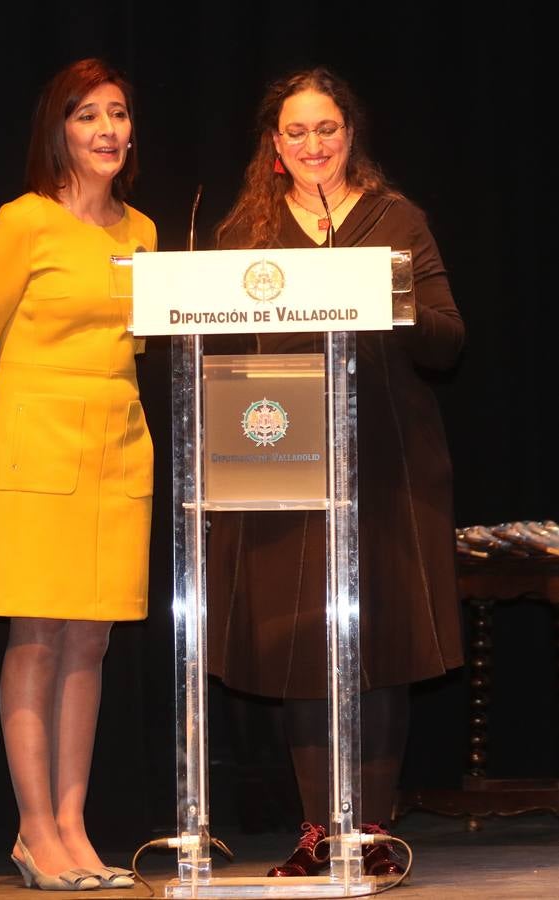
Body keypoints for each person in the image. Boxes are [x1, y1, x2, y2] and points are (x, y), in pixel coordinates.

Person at [206, 65, 465, 878]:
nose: (312, 144)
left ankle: (373, 828)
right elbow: (211, 344)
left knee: (379, 641)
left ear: (349, 134)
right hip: (280, 458)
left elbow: (447, 340)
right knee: (298, 649)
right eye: (295, 131)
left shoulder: (395, 219)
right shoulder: (246, 232)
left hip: (389, 464)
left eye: (325, 128)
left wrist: (388, 299)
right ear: (273, 147)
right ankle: (317, 828)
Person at [0, 58, 157, 891]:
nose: (107, 130)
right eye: (87, 117)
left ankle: (74, 827)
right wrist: (8, 442)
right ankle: (33, 831)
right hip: (33, 440)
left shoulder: (141, 231)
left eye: (117, 114)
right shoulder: (22, 225)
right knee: (36, 637)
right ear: (58, 131)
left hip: (117, 440)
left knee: (93, 640)